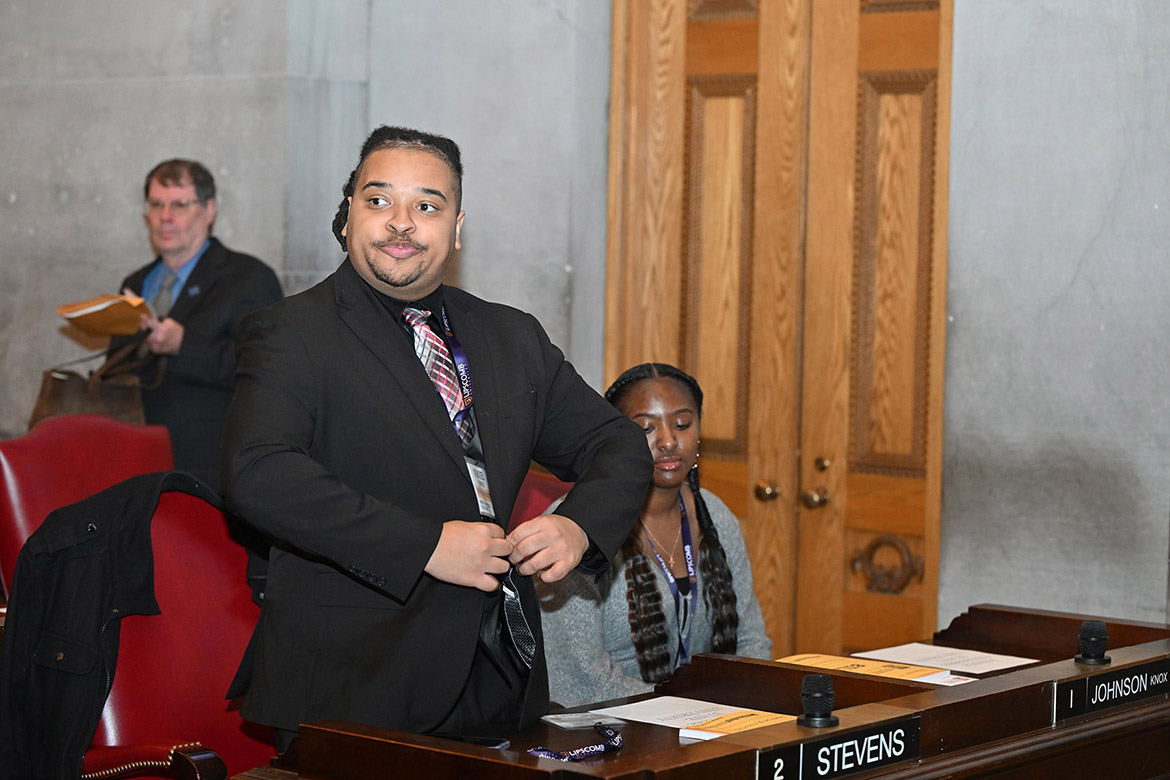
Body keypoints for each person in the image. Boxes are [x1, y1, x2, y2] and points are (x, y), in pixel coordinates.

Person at [219, 125, 651, 750]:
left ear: (456, 228)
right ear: (347, 219)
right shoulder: (292, 332)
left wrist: (578, 526)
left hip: (501, 675)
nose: (401, 222)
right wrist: (423, 546)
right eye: (378, 200)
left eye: (426, 205)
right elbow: (259, 472)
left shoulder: (512, 338)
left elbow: (617, 442)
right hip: (355, 686)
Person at [537, 363, 772, 708]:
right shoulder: (571, 529)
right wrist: (683, 712)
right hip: (610, 730)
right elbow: (577, 679)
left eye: (682, 424)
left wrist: (749, 703)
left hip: (714, 723)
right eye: (646, 428)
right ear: (614, 439)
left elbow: (751, 640)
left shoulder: (715, 515)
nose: (668, 441)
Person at [110, 159, 282, 481]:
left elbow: (265, 370)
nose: (165, 217)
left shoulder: (248, 278)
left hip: (209, 465)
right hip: (135, 457)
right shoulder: (135, 282)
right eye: (157, 204)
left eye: (180, 205)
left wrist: (182, 345)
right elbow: (119, 367)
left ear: (208, 210)